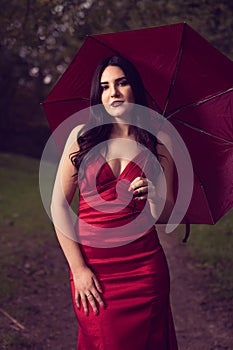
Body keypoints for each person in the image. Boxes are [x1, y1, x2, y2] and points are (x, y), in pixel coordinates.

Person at [51, 55, 178, 349]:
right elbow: (58, 205)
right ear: (99, 94)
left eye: (122, 83)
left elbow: (167, 214)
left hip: (145, 269)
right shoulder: (81, 136)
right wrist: (78, 269)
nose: (114, 92)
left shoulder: (158, 141)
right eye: (106, 86)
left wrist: (154, 196)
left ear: (135, 88)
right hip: (94, 270)